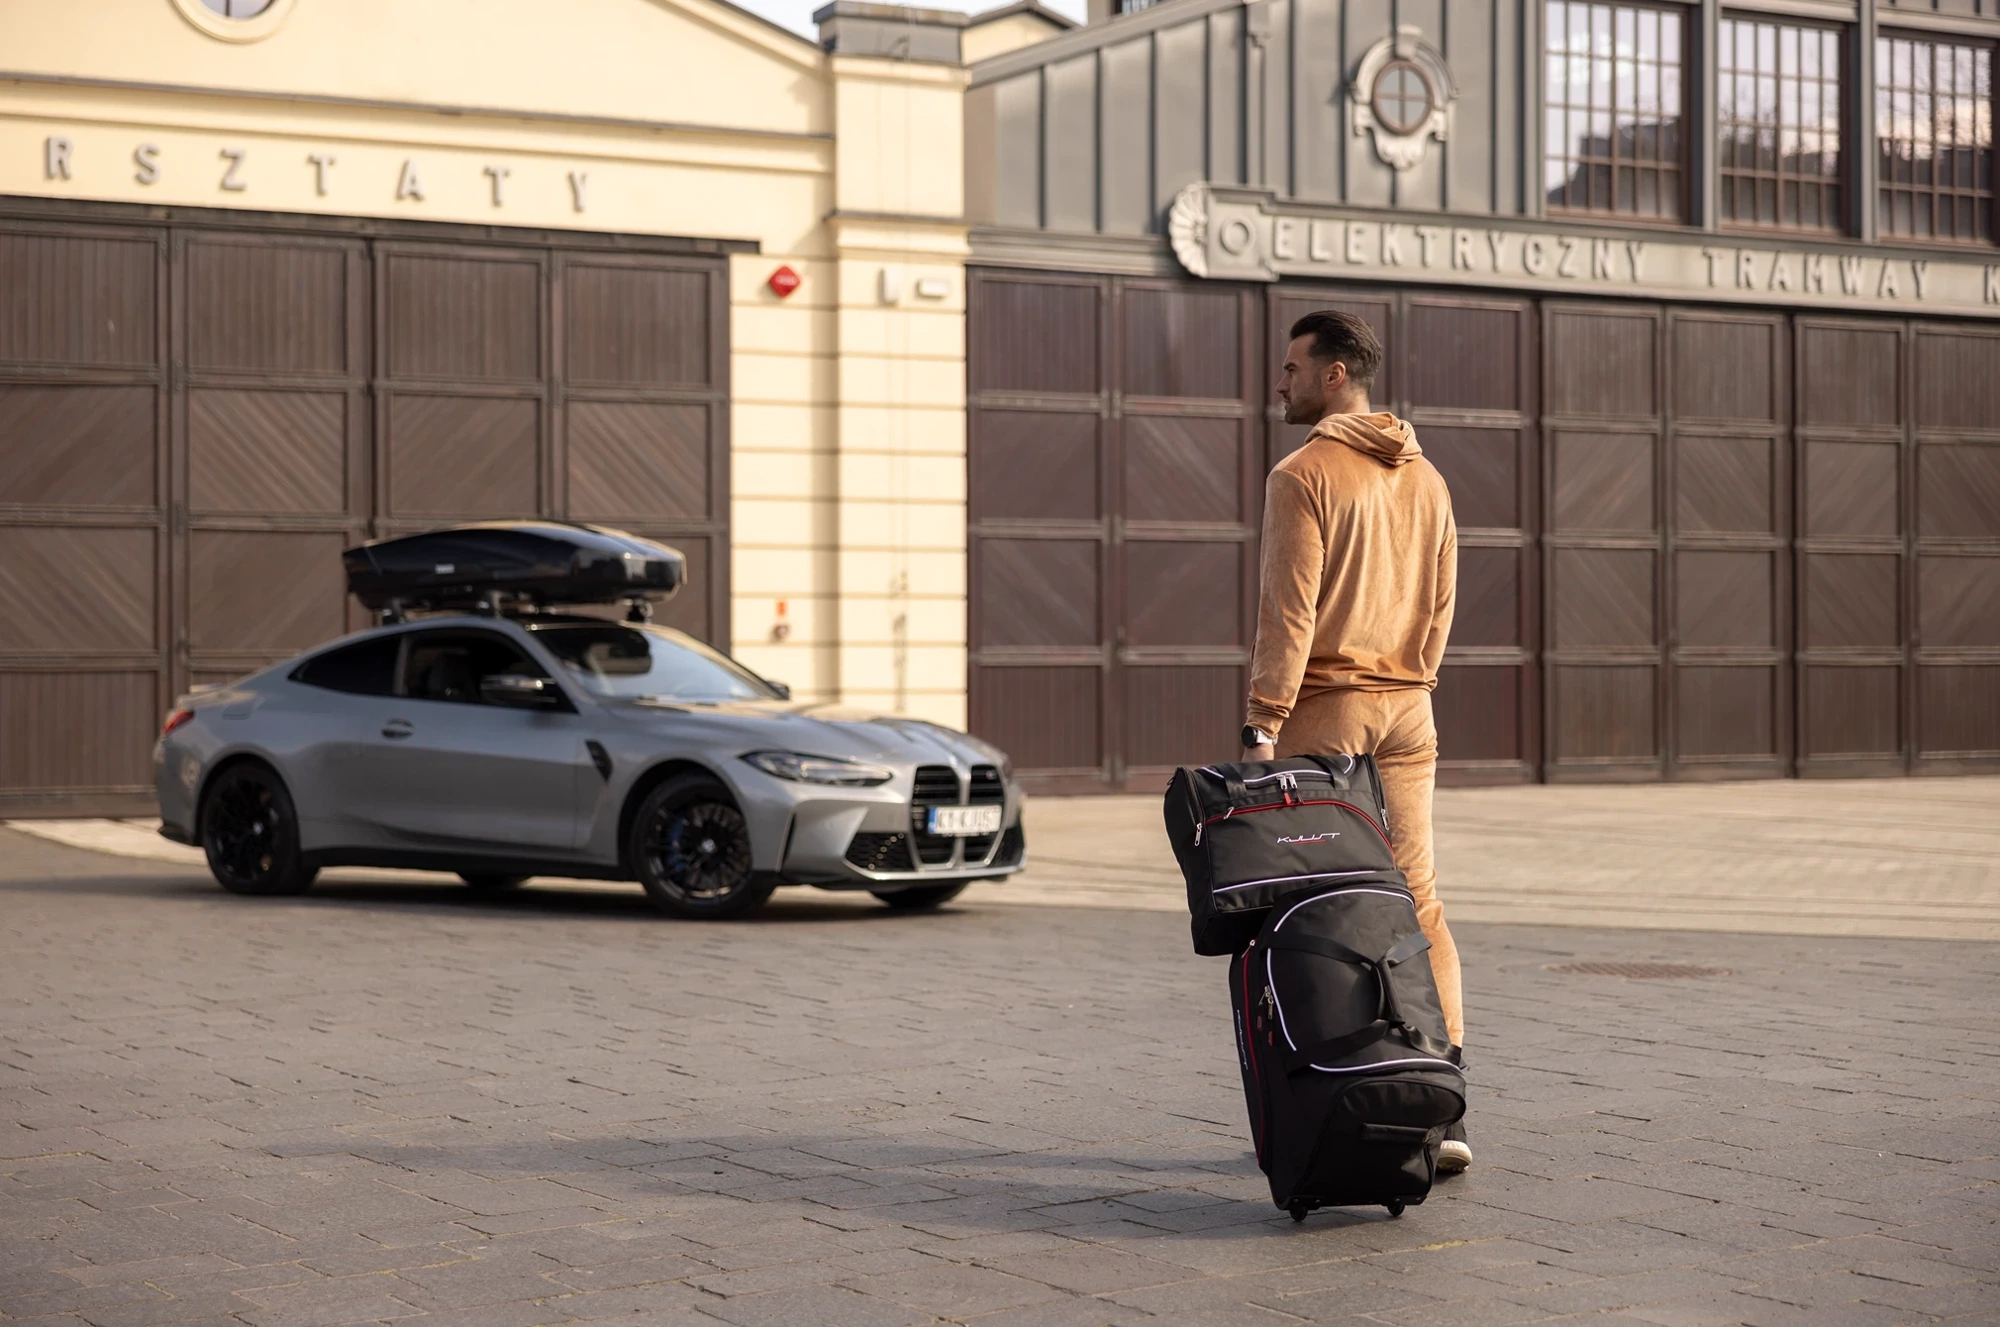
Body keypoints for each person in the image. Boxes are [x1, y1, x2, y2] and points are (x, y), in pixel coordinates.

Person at [1239, 309, 1470, 1175]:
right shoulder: (1429, 479)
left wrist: (1263, 721)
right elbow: (1442, 602)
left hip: (1327, 713)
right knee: (1420, 901)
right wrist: (1412, 680)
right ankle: (1439, 1102)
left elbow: (1289, 610)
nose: (1281, 382)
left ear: (1334, 374)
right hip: (1409, 709)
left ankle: (1338, 1094)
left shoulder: (1303, 473)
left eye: (1292, 367)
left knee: (1324, 905)